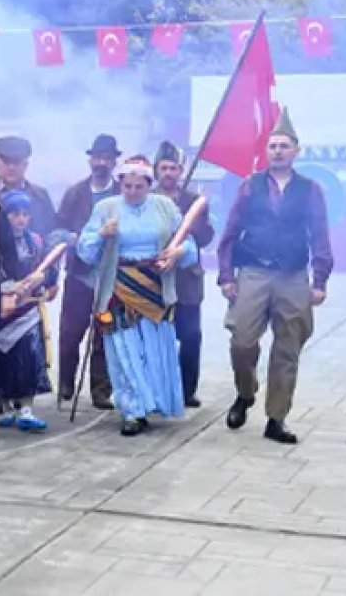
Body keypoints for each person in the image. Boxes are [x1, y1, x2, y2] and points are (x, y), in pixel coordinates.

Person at [219, 107, 332, 445]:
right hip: (253, 272)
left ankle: (276, 417)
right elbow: (230, 232)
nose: (278, 151)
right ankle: (245, 392)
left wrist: (320, 281)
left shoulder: (310, 190)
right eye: (273, 146)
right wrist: (227, 276)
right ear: (266, 151)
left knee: (288, 347)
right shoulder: (249, 185)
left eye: (284, 146)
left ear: (296, 150)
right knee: (241, 340)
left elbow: (320, 235)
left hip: (293, 276)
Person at [77, 155, 197, 436]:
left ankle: (152, 401)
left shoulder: (165, 207)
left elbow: (188, 244)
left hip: (155, 287)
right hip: (119, 286)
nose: (132, 191)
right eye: (127, 186)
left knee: (154, 348)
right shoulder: (106, 208)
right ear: (120, 184)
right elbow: (85, 249)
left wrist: (178, 252)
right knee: (124, 349)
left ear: (149, 185)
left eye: (138, 186)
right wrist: (101, 235)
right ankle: (132, 410)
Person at [55, 134, 122, 409]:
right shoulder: (75, 193)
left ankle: (101, 389)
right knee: (71, 332)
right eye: (97, 157)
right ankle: (66, 382)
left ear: (114, 162)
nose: (101, 163)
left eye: (107, 158)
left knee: (105, 334)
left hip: (112, 276)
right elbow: (56, 231)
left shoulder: (123, 193)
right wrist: (78, 238)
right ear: (90, 160)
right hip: (80, 275)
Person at [0, 190, 59, 432]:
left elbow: (49, 271)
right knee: (2, 361)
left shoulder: (36, 242)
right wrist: (9, 288)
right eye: (15, 214)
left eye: (25, 214)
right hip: (1, 310)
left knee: (29, 358)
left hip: (28, 311)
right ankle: (7, 407)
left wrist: (43, 279)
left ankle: (26, 410)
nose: (20, 219)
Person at [154, 141, 215, 408]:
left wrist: (189, 220)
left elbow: (205, 238)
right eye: (164, 168)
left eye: (173, 168)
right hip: (155, 280)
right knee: (158, 338)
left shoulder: (193, 201)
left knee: (190, 336)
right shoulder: (147, 198)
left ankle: (187, 390)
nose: (168, 173)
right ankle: (159, 389)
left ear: (181, 170)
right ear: (157, 170)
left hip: (187, 280)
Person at [0, 136, 58, 238]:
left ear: (25, 165)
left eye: (16, 162)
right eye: (6, 162)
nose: (11, 168)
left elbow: (51, 233)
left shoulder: (40, 196)